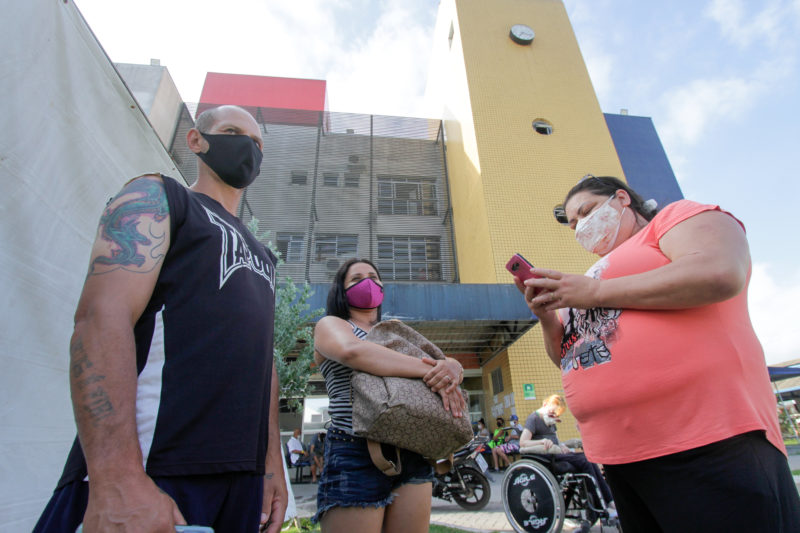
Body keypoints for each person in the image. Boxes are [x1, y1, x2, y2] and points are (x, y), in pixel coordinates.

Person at [33, 105, 287, 533]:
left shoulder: (263, 254)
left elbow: (264, 364)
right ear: (196, 140)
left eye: (258, 143)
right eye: (231, 131)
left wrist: (270, 466)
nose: (248, 147)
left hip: (240, 485)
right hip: (154, 472)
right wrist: (116, 478)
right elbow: (100, 317)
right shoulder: (159, 197)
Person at [514, 175, 800, 532]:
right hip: (622, 458)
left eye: (586, 212)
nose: (580, 227)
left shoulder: (673, 219)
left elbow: (719, 271)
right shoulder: (593, 279)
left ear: (621, 199)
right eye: (572, 224)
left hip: (706, 439)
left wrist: (596, 292)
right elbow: (567, 357)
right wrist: (546, 319)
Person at [312, 258, 466, 533]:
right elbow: (353, 352)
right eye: (357, 278)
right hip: (354, 450)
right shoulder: (330, 325)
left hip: (412, 450)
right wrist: (430, 369)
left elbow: (438, 364)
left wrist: (454, 367)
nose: (368, 282)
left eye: (373, 276)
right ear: (341, 290)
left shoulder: (394, 331)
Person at [519, 395, 615, 511]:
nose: (554, 415)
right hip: (547, 456)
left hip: (559, 453)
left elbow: (556, 438)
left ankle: (608, 499)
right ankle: (600, 505)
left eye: (557, 413)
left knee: (589, 459)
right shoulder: (534, 418)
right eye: (552, 411)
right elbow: (523, 442)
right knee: (585, 461)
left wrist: (562, 445)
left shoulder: (550, 419)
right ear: (545, 405)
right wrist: (542, 442)